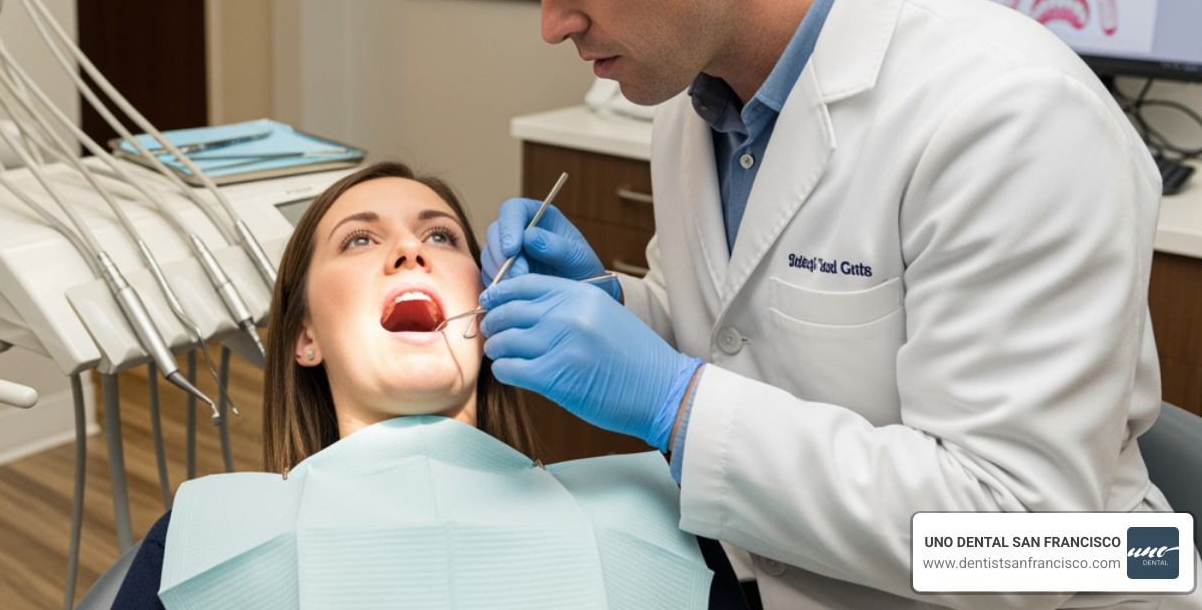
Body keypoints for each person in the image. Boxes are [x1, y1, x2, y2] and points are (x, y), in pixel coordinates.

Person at [465, 0, 1202, 610]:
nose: (553, 21)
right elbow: (755, 338)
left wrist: (675, 403)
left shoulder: (1011, 116)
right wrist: (623, 309)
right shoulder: (693, 93)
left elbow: (1022, 541)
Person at [110, 160, 745, 610]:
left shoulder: (653, 520)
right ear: (305, 335)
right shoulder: (204, 543)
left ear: (490, 299)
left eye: (440, 236)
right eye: (359, 239)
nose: (410, 251)